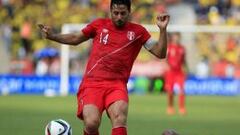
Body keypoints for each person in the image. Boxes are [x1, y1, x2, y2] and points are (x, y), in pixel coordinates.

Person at [38, 0, 170, 135]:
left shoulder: (138, 32)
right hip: (92, 83)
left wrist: (163, 30)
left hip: (117, 85)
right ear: (110, 11)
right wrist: (53, 36)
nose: (119, 17)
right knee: (91, 123)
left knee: (119, 117)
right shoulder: (99, 25)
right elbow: (76, 38)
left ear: (129, 12)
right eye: (116, 13)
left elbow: (160, 53)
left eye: (123, 13)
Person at [164, 32, 187, 115]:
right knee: (170, 91)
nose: (176, 39)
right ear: (173, 38)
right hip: (170, 72)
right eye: (175, 37)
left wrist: (185, 68)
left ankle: (182, 108)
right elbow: (165, 58)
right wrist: (166, 66)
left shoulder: (182, 48)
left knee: (182, 90)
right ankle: (170, 107)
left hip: (179, 72)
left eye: (178, 37)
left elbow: (184, 60)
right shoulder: (169, 47)